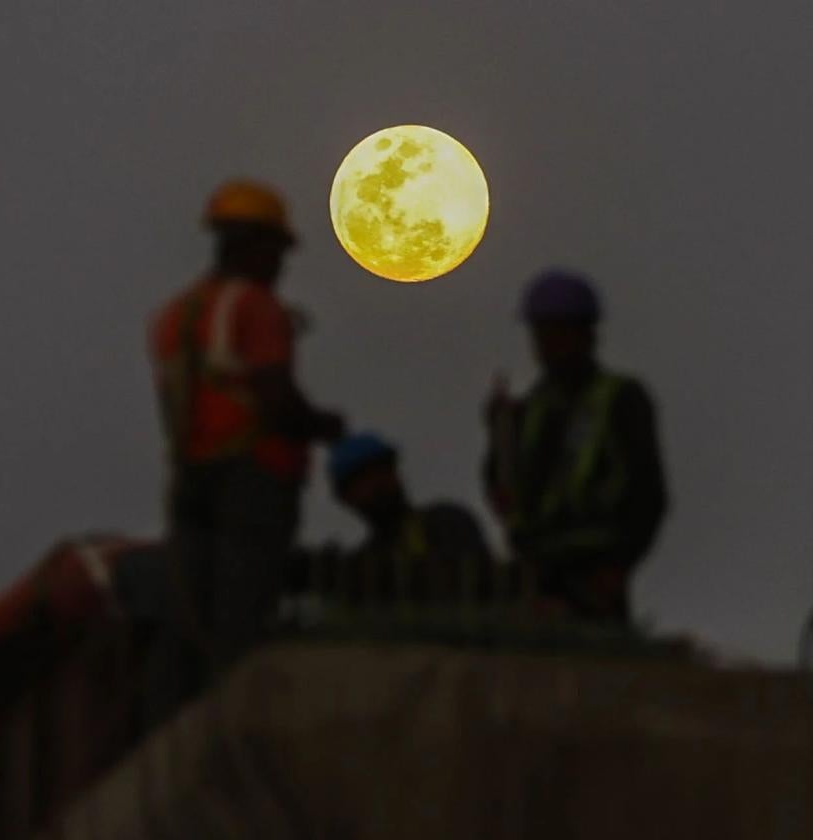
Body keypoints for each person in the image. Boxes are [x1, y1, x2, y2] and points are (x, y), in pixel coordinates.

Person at [148, 180, 344, 704]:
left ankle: (172, 724)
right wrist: (323, 426)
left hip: (190, 479)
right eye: (275, 250)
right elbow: (275, 400)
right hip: (252, 478)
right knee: (243, 615)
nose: (280, 263)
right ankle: (233, 722)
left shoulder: (175, 315)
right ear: (251, 245)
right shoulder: (257, 308)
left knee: (189, 612)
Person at [483, 268, 668, 623]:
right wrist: (498, 438)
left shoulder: (619, 399)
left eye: (559, 331)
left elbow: (648, 492)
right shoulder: (531, 409)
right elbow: (507, 489)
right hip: (537, 566)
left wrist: (619, 565)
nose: (549, 343)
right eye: (543, 332)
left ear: (586, 333)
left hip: (597, 566)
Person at [324, 433, 494, 607]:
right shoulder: (363, 563)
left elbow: (471, 579)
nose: (378, 483)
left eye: (383, 470)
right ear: (345, 497)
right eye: (364, 479)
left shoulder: (445, 521)